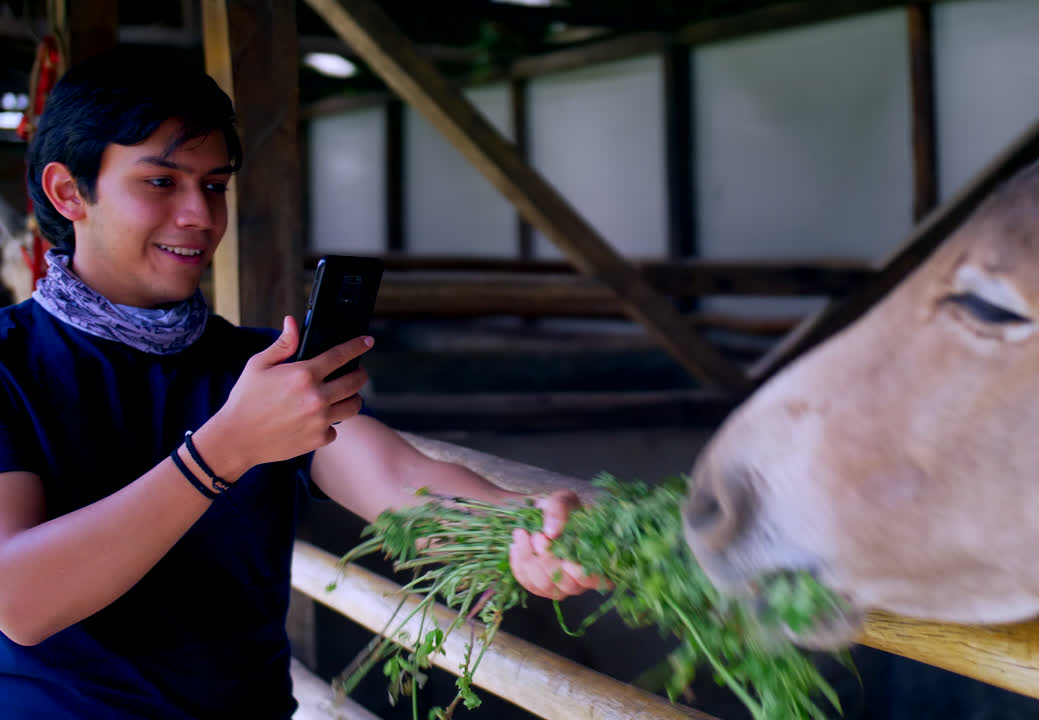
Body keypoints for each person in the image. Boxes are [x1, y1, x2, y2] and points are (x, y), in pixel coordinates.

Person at [0, 50, 600, 718]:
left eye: (216, 185)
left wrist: (523, 529)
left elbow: (401, 482)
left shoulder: (266, 369)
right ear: (67, 192)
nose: (200, 215)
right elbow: (19, 601)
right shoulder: (7, 363)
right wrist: (221, 452)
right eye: (162, 183)